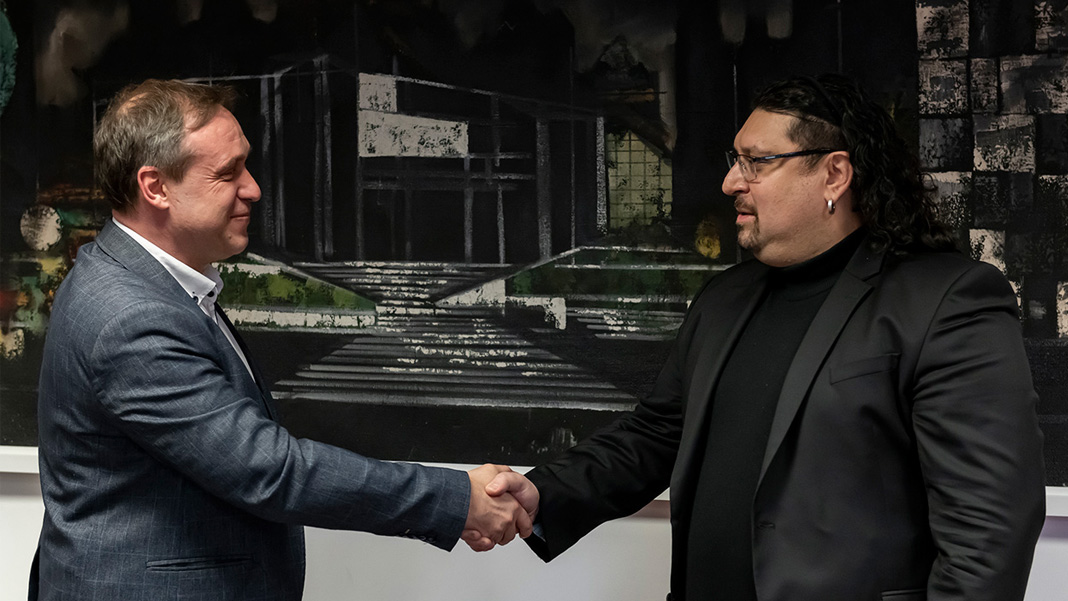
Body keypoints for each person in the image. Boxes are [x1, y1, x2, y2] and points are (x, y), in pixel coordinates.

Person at [481, 73, 1046, 600]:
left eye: (757, 162)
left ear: (834, 174)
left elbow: (988, 533)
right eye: (736, 161)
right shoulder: (724, 300)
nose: (731, 182)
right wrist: (542, 493)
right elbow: (656, 435)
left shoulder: (946, 301)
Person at [30, 78, 533, 601]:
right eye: (227, 173)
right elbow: (269, 471)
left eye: (245, 166)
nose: (252, 188)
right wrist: (457, 500)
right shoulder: (131, 316)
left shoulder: (135, 278)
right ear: (156, 187)